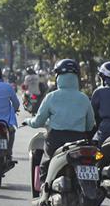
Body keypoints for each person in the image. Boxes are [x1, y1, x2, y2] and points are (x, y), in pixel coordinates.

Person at [26, 59, 96, 191]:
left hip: (56, 140)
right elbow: (90, 125)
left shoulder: (51, 97)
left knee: (45, 163)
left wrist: (28, 121)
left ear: (58, 76)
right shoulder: (84, 98)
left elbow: (38, 122)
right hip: (79, 141)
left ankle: (44, 190)